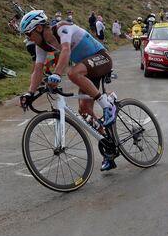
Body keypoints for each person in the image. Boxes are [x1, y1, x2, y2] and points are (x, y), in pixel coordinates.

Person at [19, 10, 118, 171]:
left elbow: (66, 50)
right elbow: (37, 70)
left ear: (38, 28)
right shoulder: (41, 46)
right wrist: (29, 93)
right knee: (85, 111)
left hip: (101, 58)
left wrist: (57, 74)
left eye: (28, 34)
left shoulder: (61, 29)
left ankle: (108, 106)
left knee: (73, 73)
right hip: (87, 68)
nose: (28, 39)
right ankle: (109, 146)